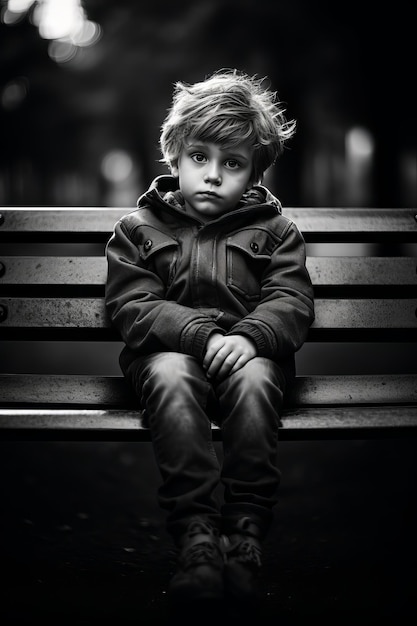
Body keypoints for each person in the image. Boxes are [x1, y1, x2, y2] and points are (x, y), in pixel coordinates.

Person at [105, 69, 315, 613]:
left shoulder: (275, 231)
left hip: (249, 359)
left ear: (253, 173)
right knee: (172, 372)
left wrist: (252, 336)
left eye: (232, 163)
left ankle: (243, 534)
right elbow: (132, 306)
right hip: (166, 362)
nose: (213, 175)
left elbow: (290, 300)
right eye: (200, 157)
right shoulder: (140, 228)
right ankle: (197, 538)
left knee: (258, 374)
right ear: (174, 156)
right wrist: (198, 335)